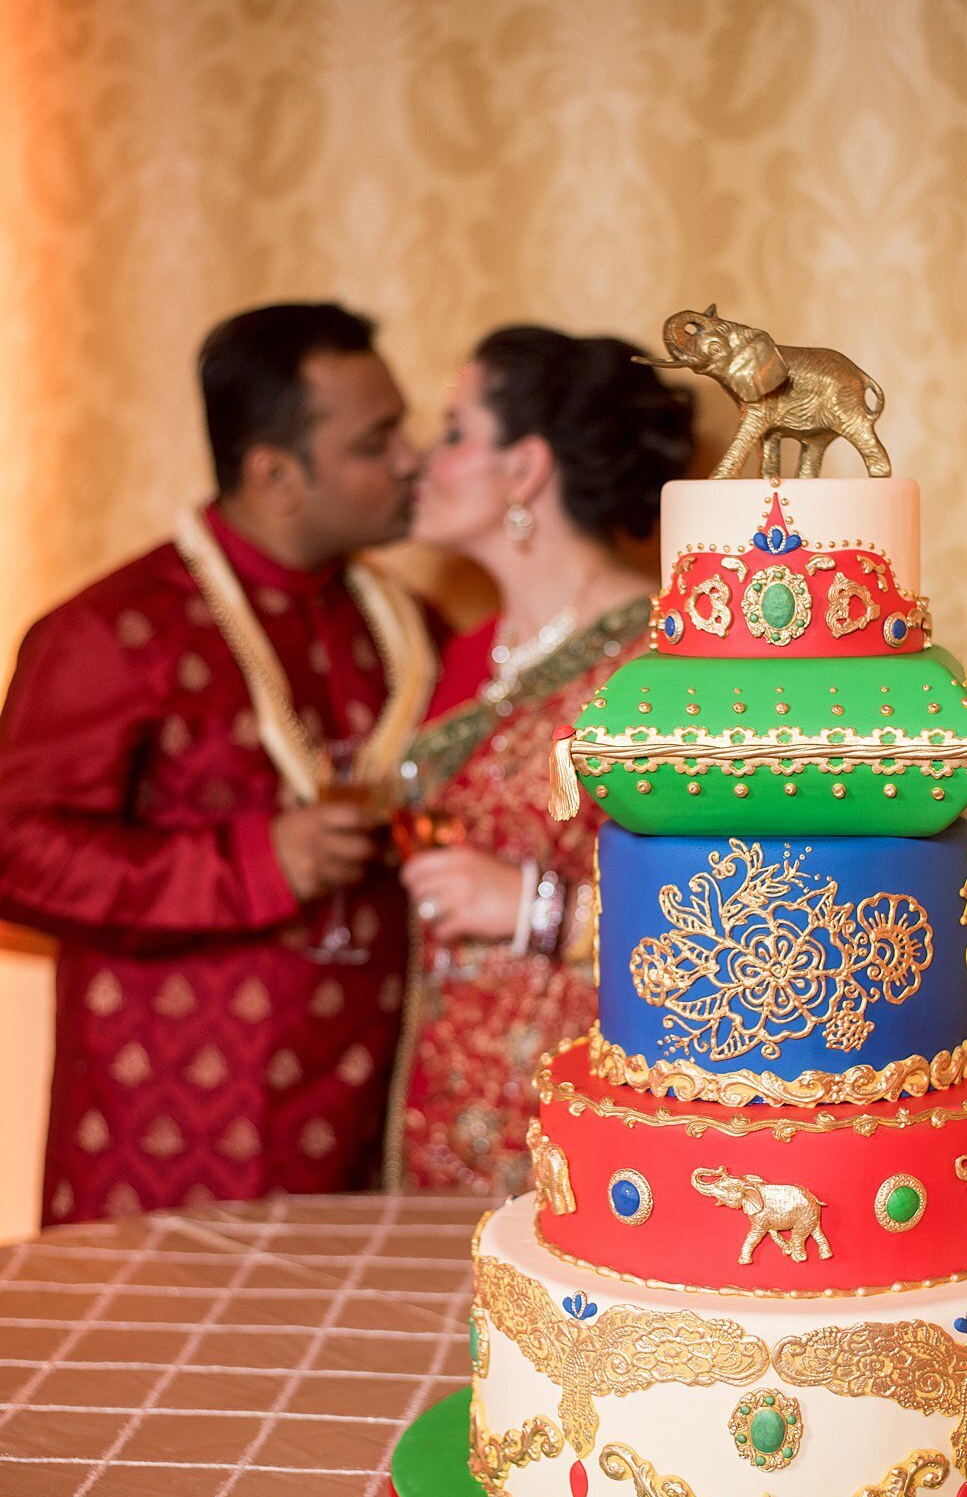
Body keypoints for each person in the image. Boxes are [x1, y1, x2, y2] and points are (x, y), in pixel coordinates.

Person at [0, 302, 442, 1225]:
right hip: (169, 1127)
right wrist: (254, 862)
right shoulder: (116, 633)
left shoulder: (402, 628)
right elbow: (17, 851)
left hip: (366, 1121)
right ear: (276, 473)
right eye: (376, 441)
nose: (412, 458)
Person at [391, 324, 694, 1194]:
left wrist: (529, 905)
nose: (422, 462)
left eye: (453, 434)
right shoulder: (462, 657)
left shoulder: (661, 669)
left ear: (525, 469)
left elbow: (727, 922)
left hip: (581, 1123)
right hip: (437, 1094)